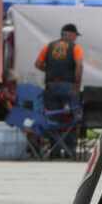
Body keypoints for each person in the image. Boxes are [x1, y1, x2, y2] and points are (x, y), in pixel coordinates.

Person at [34, 23, 83, 157]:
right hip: (68, 85)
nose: (75, 39)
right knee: (70, 117)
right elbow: (79, 65)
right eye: (75, 36)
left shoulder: (48, 47)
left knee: (53, 118)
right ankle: (70, 150)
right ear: (70, 34)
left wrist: (49, 71)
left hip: (51, 86)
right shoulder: (75, 48)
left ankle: (55, 150)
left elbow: (38, 64)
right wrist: (77, 85)